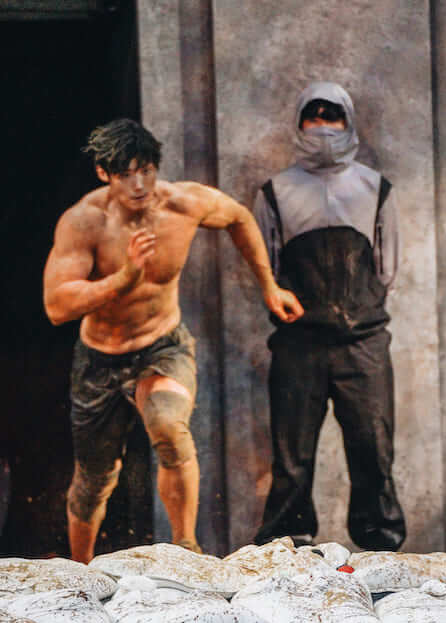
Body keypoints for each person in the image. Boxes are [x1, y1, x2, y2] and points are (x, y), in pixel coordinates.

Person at [44, 118, 303, 563]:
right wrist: (123, 279)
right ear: (105, 175)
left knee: (168, 427)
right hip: (100, 358)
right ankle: (79, 569)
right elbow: (57, 305)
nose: (140, 184)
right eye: (126, 174)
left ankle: (187, 547)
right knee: (94, 478)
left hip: (161, 346)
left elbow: (239, 217)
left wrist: (269, 286)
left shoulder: (182, 204)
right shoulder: (86, 221)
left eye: (147, 170)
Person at [251, 82, 406, 551]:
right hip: (299, 342)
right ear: (299, 124)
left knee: (373, 449)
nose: (323, 126)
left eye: (332, 116)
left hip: (364, 341)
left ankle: (380, 545)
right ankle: (287, 544)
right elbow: (267, 267)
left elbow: (388, 267)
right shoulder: (274, 192)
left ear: (348, 121)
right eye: (313, 116)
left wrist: (356, 306)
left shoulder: (375, 188)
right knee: (292, 455)